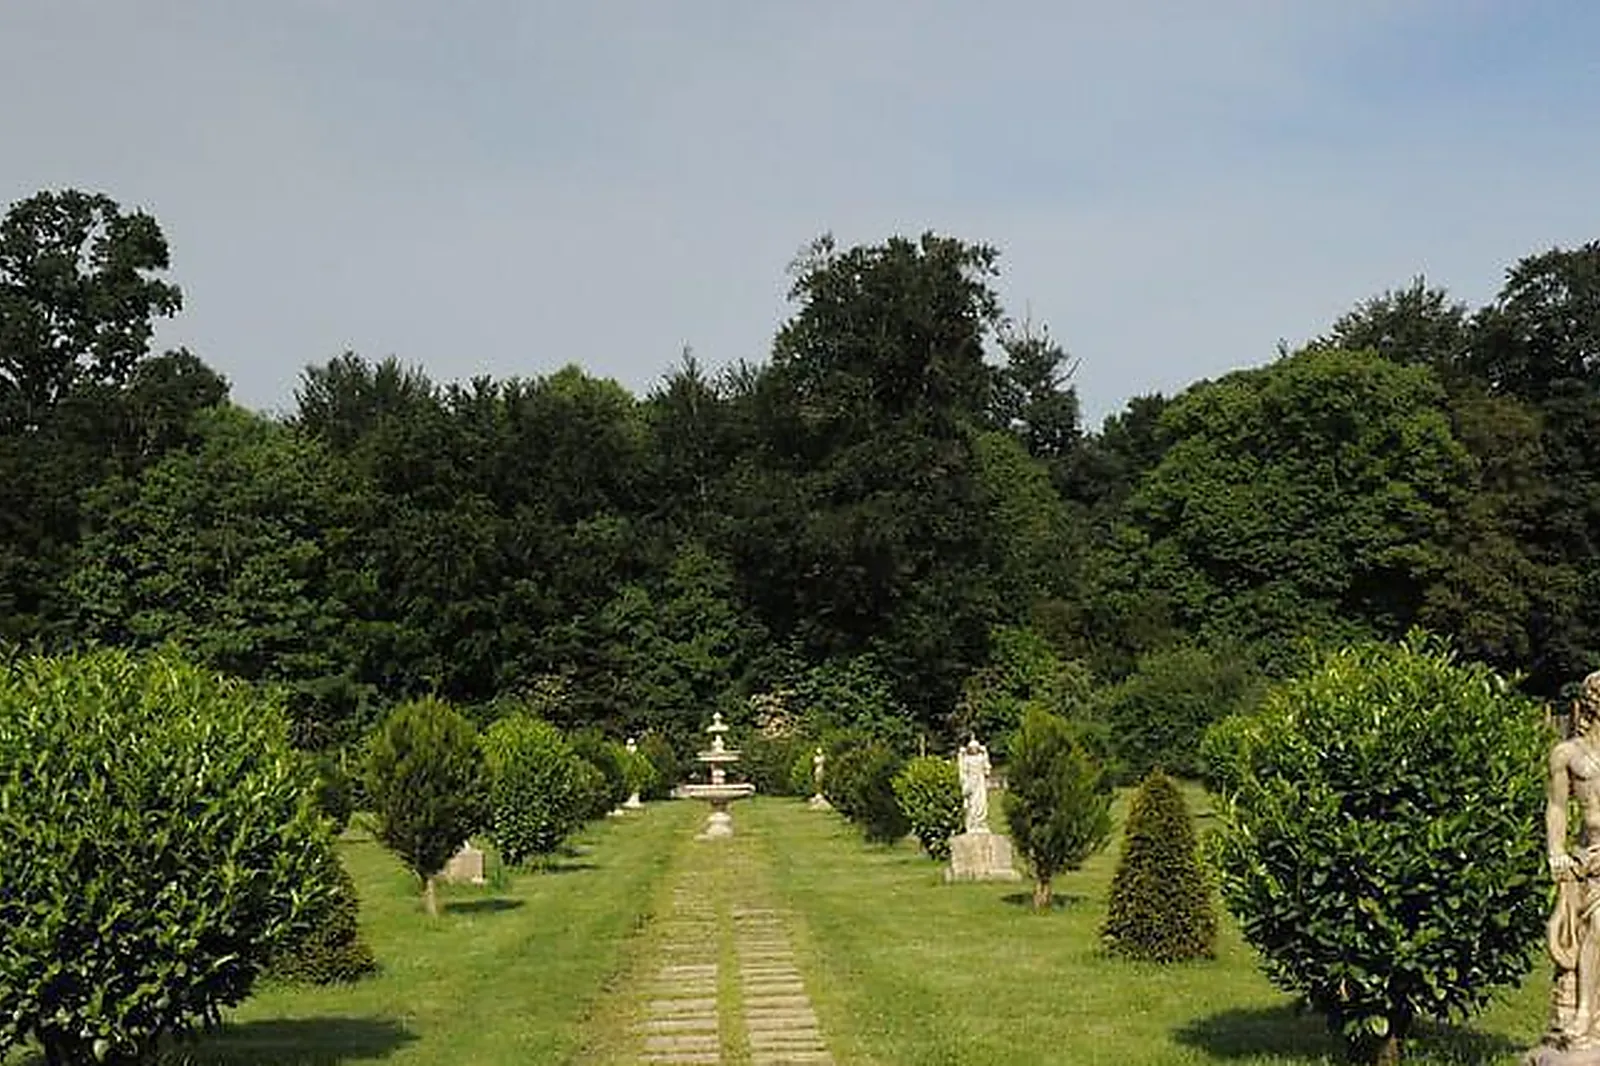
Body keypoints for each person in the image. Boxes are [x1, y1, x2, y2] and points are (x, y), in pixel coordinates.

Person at [1544, 670, 1600, 1050]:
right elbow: (1557, 806)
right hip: (1590, 855)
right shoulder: (1567, 754)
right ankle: (1583, 1012)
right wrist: (1556, 852)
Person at [958, 737, 991, 834]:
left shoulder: (981, 758)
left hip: (980, 782)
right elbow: (963, 771)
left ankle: (981, 822)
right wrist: (961, 755)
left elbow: (987, 768)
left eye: (976, 748)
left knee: (982, 803)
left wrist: (985, 753)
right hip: (971, 782)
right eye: (972, 748)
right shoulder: (967, 759)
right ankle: (973, 823)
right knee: (972, 803)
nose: (974, 750)